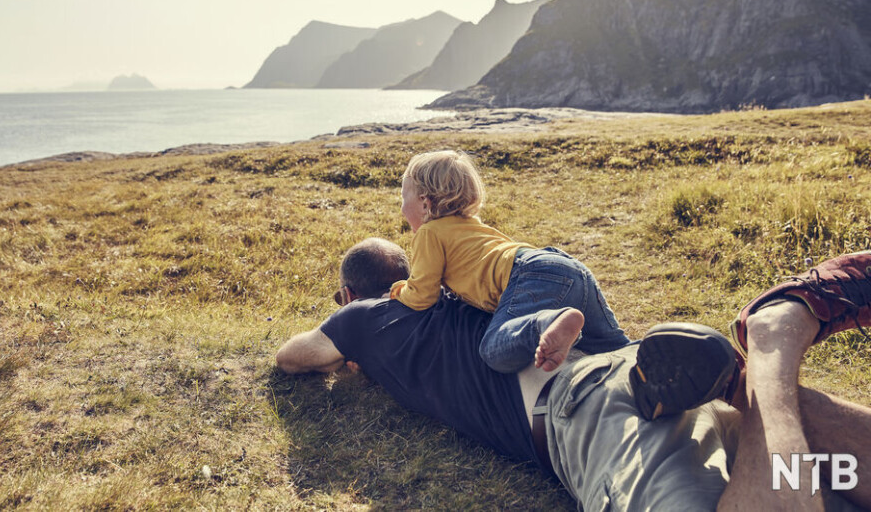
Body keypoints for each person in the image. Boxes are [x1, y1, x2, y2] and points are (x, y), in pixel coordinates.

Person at [277, 240, 871, 510]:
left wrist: (349, 345)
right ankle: (749, 387)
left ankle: (770, 343)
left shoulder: (363, 316)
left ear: (351, 292)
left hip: (586, 411)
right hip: (649, 371)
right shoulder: (463, 295)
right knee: (827, 475)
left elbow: (293, 356)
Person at [391, 150, 629, 373]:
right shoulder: (473, 226)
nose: (401, 209)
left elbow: (422, 295)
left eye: (403, 199)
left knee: (494, 351)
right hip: (566, 266)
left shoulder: (429, 233)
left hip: (528, 274)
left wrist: (396, 291)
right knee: (614, 346)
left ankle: (547, 323)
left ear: (425, 202)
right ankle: (649, 350)